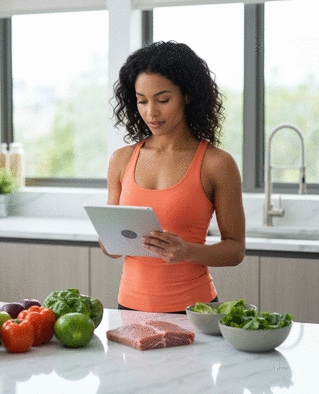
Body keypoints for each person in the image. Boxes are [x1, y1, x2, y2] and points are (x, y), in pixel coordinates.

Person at [100, 40, 245, 313]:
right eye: (142, 101)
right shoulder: (121, 159)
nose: (151, 112)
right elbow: (112, 245)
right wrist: (110, 240)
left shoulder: (216, 163)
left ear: (187, 95)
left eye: (163, 100)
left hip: (194, 311)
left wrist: (187, 251)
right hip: (128, 308)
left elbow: (235, 250)